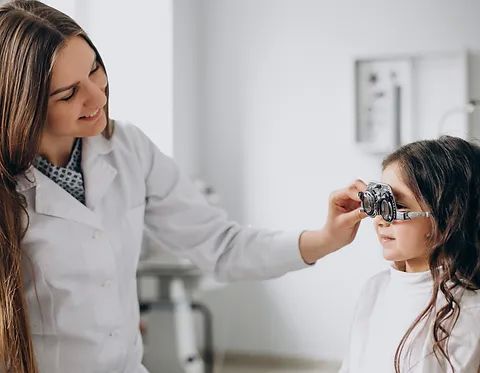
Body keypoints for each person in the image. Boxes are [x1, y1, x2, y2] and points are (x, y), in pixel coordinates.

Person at [0, 1, 367, 372]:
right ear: (22, 105)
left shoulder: (128, 147)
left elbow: (220, 246)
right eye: (67, 93)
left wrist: (325, 238)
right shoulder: (7, 185)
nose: (97, 96)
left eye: (95, 69)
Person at [340, 136, 480, 372]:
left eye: (398, 206)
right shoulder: (375, 289)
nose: (380, 220)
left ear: (448, 216)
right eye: (379, 202)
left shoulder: (470, 312)